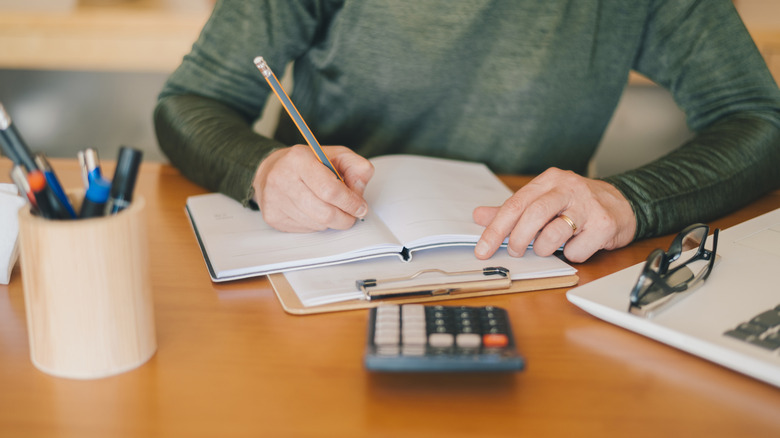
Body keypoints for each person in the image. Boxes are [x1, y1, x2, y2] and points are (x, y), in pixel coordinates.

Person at [154, 0, 780, 263]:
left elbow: (760, 119)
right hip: (333, 255)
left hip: (534, 268)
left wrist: (629, 201)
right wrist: (263, 171)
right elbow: (190, 102)